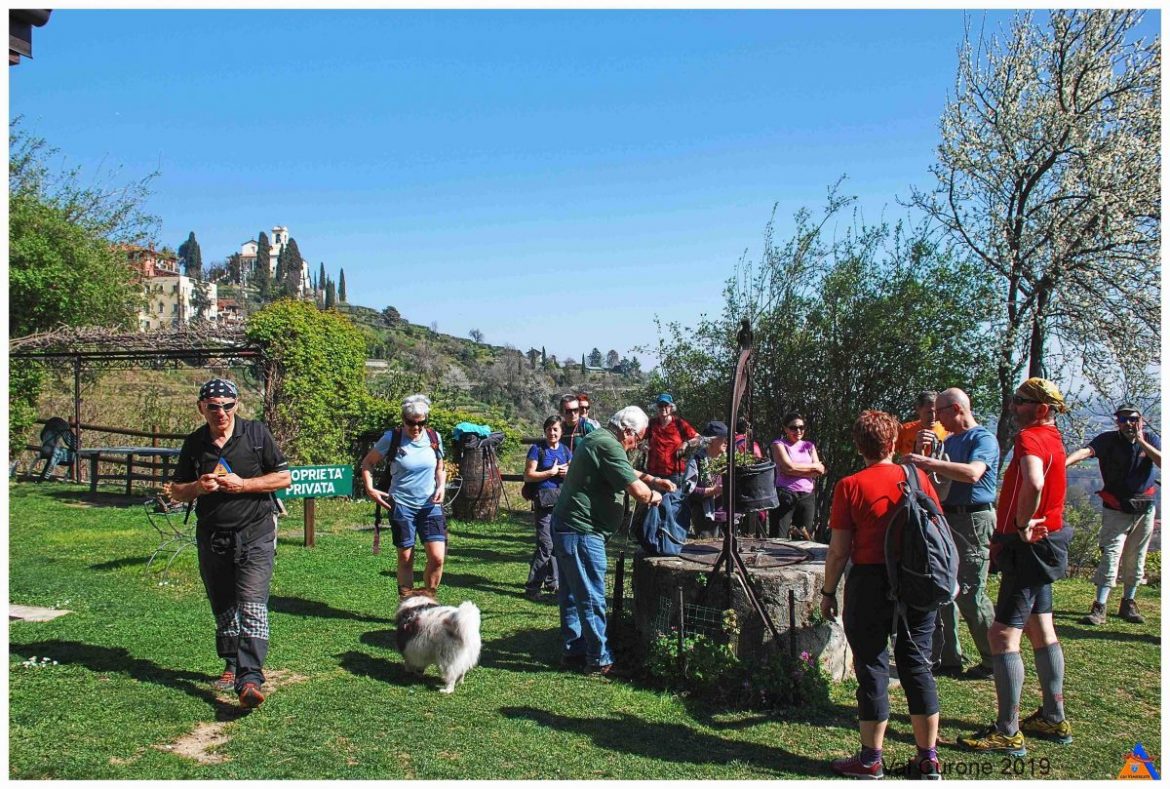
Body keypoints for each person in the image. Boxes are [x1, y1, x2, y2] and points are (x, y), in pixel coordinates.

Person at [821, 410, 942, 779]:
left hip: (870, 582)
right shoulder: (917, 476)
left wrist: (828, 592)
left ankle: (871, 759)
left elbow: (840, 549)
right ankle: (928, 759)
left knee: (872, 665)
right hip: (917, 580)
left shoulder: (850, 485)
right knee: (916, 665)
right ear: (893, 443)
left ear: (859, 446)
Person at [959, 378, 1073, 754]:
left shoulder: (1030, 439)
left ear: (1042, 409)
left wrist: (1022, 523)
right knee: (1042, 628)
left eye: (1021, 401)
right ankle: (1053, 718)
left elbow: (1035, 482)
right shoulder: (1054, 437)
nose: (1013, 407)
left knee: (1002, 637)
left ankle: (1007, 731)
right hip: (1049, 541)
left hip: (1027, 546)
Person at [169, 378, 291, 710]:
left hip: (256, 532)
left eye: (227, 405)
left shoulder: (255, 434)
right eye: (213, 406)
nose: (220, 412)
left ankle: (250, 677)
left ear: (237, 405)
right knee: (224, 605)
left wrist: (245, 484)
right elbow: (176, 490)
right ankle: (231, 662)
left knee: (252, 602)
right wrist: (198, 486)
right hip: (213, 535)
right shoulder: (195, 443)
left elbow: (283, 477)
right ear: (201, 408)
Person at [552, 406, 676, 674]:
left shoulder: (601, 440)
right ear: (627, 431)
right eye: (638, 438)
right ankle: (599, 660)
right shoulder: (607, 444)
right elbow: (640, 493)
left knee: (573, 594)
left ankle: (574, 651)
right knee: (591, 595)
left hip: (570, 527)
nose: (638, 444)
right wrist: (655, 496)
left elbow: (625, 472)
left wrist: (654, 479)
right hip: (581, 531)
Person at [904, 387, 999, 680]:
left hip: (973, 520)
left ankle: (995, 659)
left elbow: (972, 473)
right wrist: (923, 451)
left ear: (957, 409)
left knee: (970, 593)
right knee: (944, 588)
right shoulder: (952, 440)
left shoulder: (982, 438)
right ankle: (949, 658)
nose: (936, 419)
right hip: (947, 518)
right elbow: (932, 480)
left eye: (941, 412)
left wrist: (929, 461)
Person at [1066, 403, 1161, 626]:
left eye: (1133, 419)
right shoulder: (1107, 439)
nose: (1128, 423)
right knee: (1111, 555)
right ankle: (1100, 606)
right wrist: (1063, 463)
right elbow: (1087, 451)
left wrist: (1140, 441)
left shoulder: (1149, 439)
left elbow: (1161, 461)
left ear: (1141, 420)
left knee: (1136, 557)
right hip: (1116, 508)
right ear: (1116, 421)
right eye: (1123, 419)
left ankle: (1129, 602)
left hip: (1144, 508)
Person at [361, 394, 448, 600]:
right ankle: (407, 603)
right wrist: (370, 489)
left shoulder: (434, 438)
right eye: (411, 423)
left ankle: (428, 599)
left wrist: (442, 485)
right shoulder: (392, 438)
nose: (416, 427)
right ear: (403, 419)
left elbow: (440, 465)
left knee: (437, 558)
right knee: (406, 557)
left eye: (421, 423)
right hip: (402, 504)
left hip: (430, 503)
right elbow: (367, 463)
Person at [522, 415, 572, 601]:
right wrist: (549, 473)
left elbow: (573, 474)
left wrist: (567, 472)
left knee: (557, 544)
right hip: (544, 502)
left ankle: (553, 582)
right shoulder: (537, 449)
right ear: (545, 431)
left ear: (561, 432)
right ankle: (532, 586)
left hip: (561, 502)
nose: (552, 432)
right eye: (549, 429)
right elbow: (528, 475)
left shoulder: (566, 451)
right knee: (546, 545)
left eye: (556, 429)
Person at [770, 412, 825, 541]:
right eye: (793, 428)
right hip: (785, 494)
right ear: (785, 429)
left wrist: (794, 469)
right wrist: (811, 468)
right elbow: (787, 467)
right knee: (779, 537)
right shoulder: (778, 444)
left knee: (804, 537)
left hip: (807, 496)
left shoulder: (809, 446)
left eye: (801, 427)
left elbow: (819, 471)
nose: (798, 431)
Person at [683, 421, 728, 539]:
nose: (726, 441)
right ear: (711, 440)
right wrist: (713, 491)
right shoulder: (697, 461)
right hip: (705, 518)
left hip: (727, 519)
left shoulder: (729, 460)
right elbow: (688, 490)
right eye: (723, 438)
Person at [645, 392, 700, 486]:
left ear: (671, 407)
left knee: (673, 500)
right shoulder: (651, 424)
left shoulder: (679, 423)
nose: (663, 408)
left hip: (675, 473)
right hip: (654, 473)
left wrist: (686, 444)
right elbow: (637, 439)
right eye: (660, 405)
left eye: (666, 405)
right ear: (657, 408)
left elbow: (698, 438)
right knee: (655, 499)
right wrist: (641, 446)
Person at [895, 390, 949, 459]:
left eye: (936, 411)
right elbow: (888, 453)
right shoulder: (905, 430)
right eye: (929, 412)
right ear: (918, 410)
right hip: (911, 468)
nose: (934, 416)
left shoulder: (946, 428)